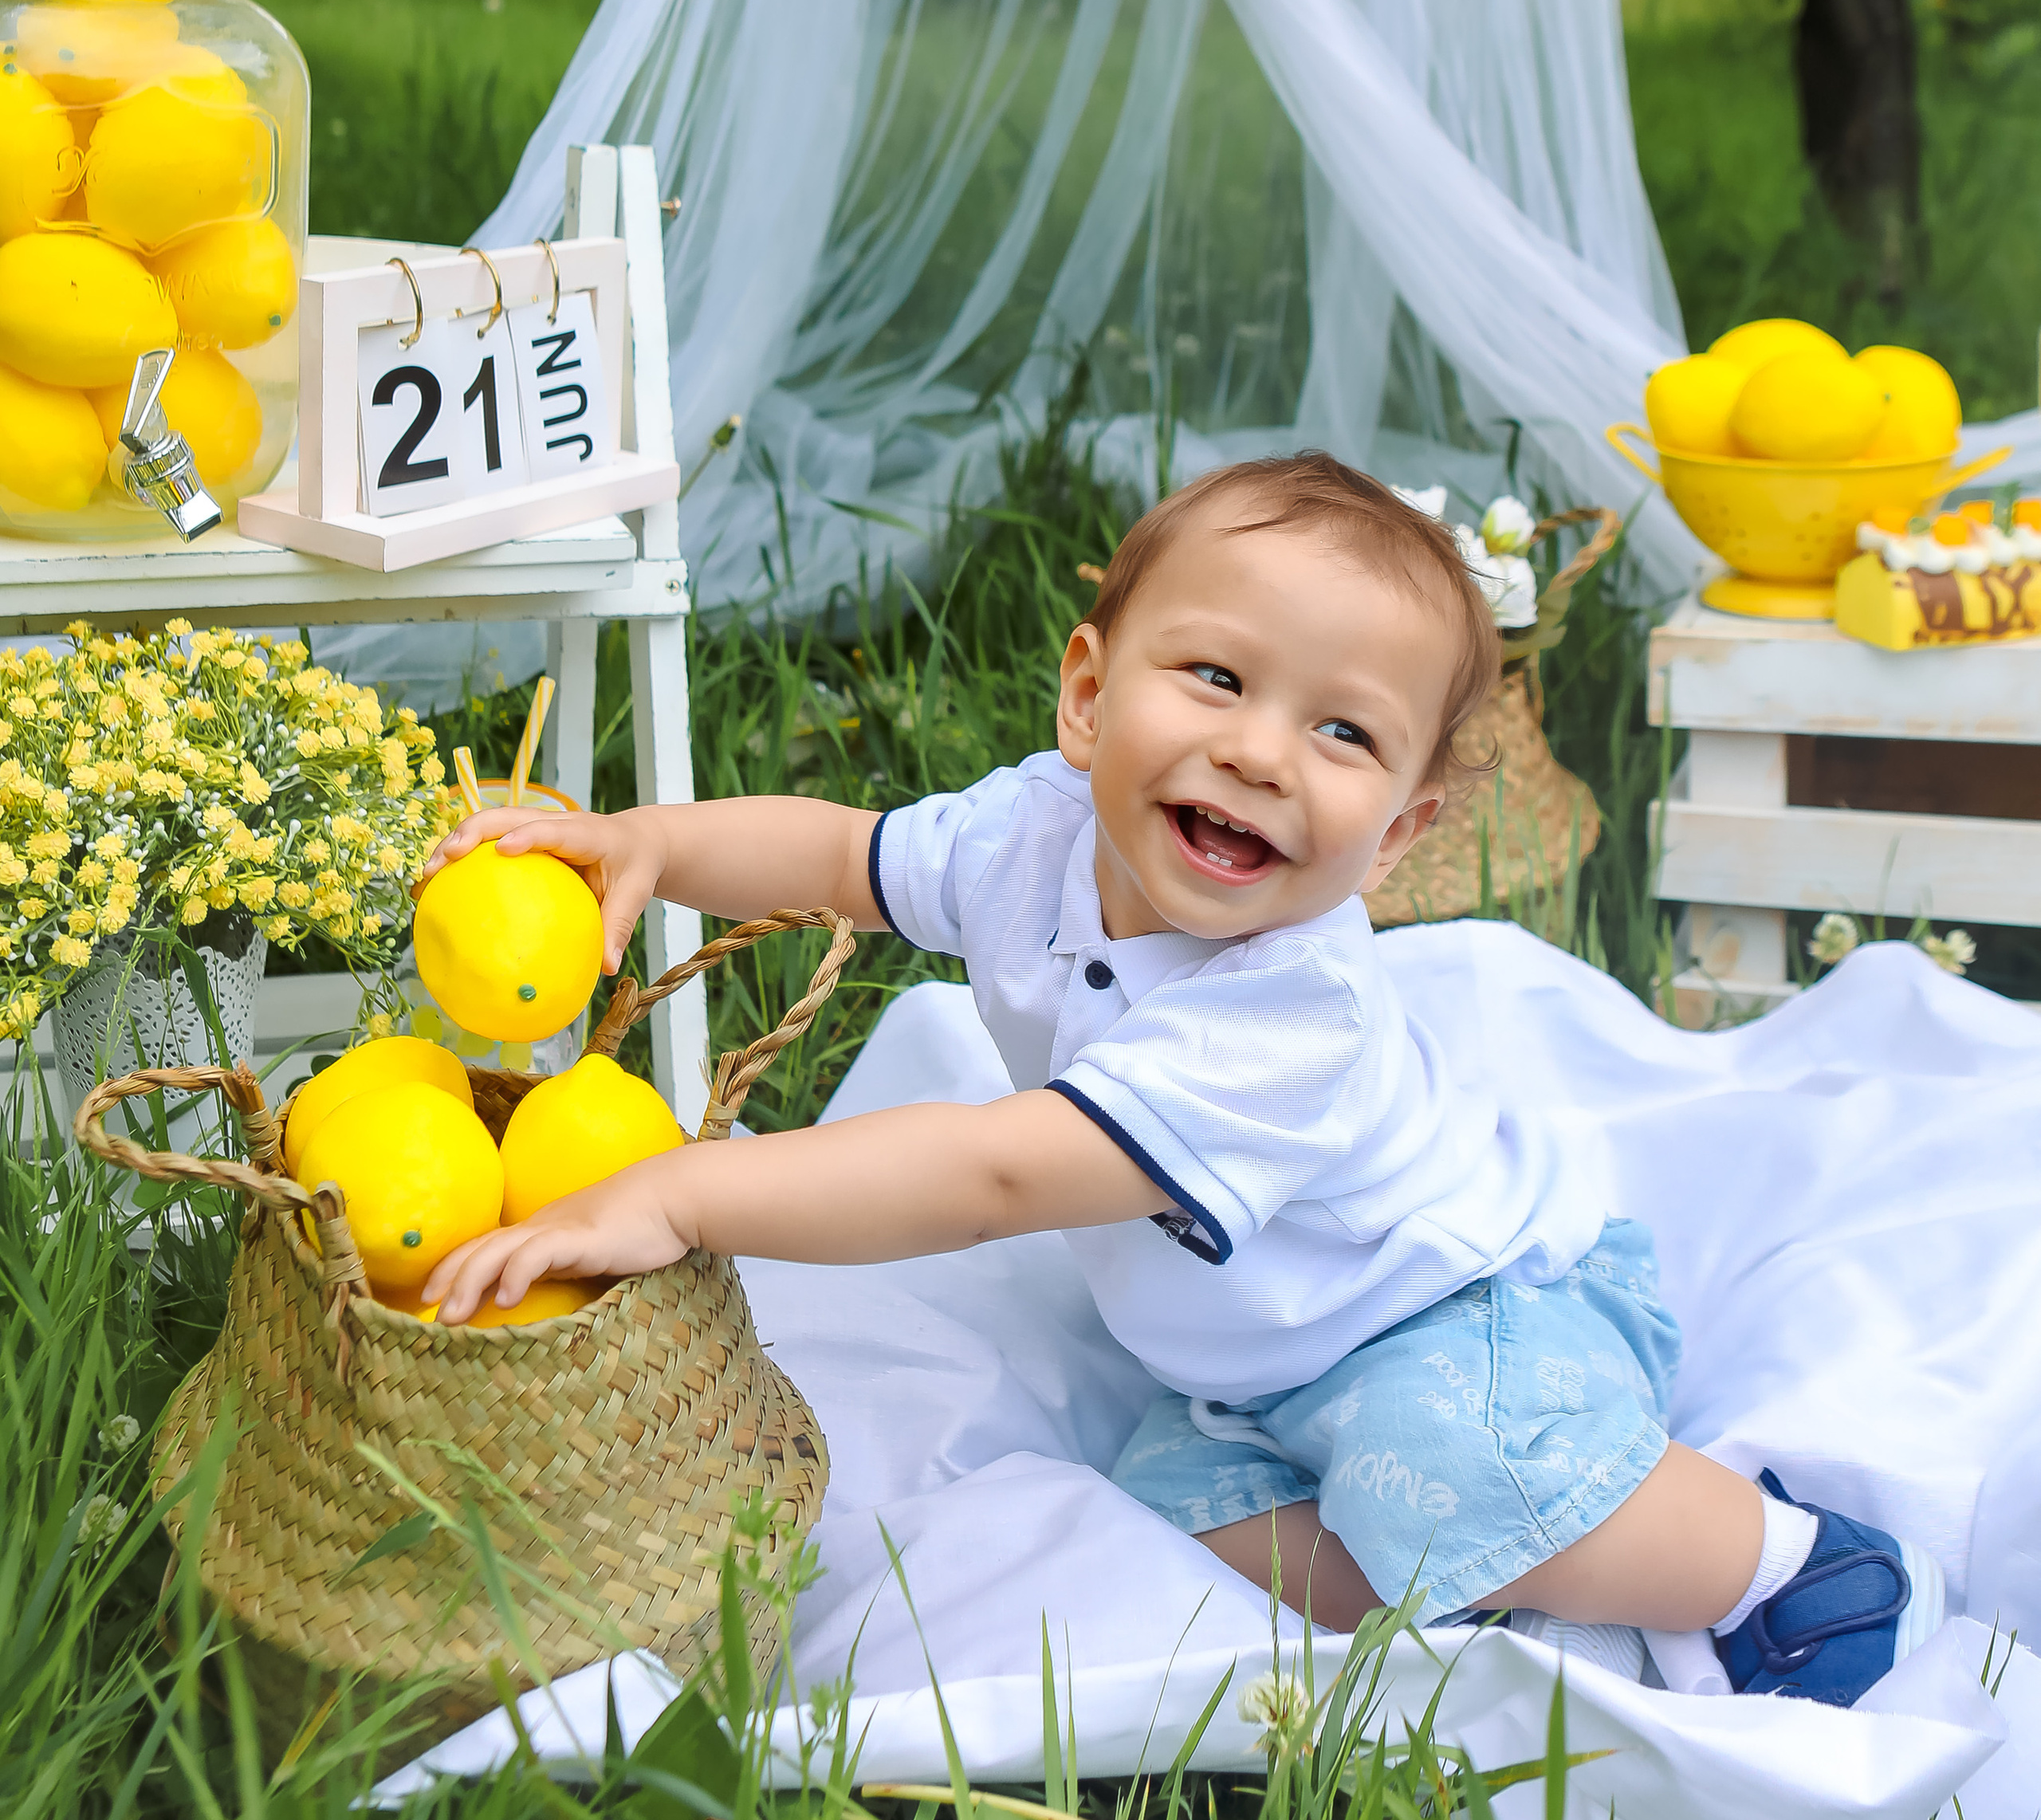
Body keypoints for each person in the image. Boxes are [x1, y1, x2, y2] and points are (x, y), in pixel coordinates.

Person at [422, 452, 1941, 1704]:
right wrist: (654, 845)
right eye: (1216, 677)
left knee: (1440, 1461)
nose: (1262, 752)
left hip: (1457, 1319)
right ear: (1089, 700)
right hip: (1257, 1371)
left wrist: (690, 1193)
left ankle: (1784, 1564)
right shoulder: (1030, 834)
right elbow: (839, 858)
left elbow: (993, 1175)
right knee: (1174, 1527)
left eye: (1343, 731)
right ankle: (1492, 1574)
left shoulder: (1291, 1011)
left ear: (1398, 837)